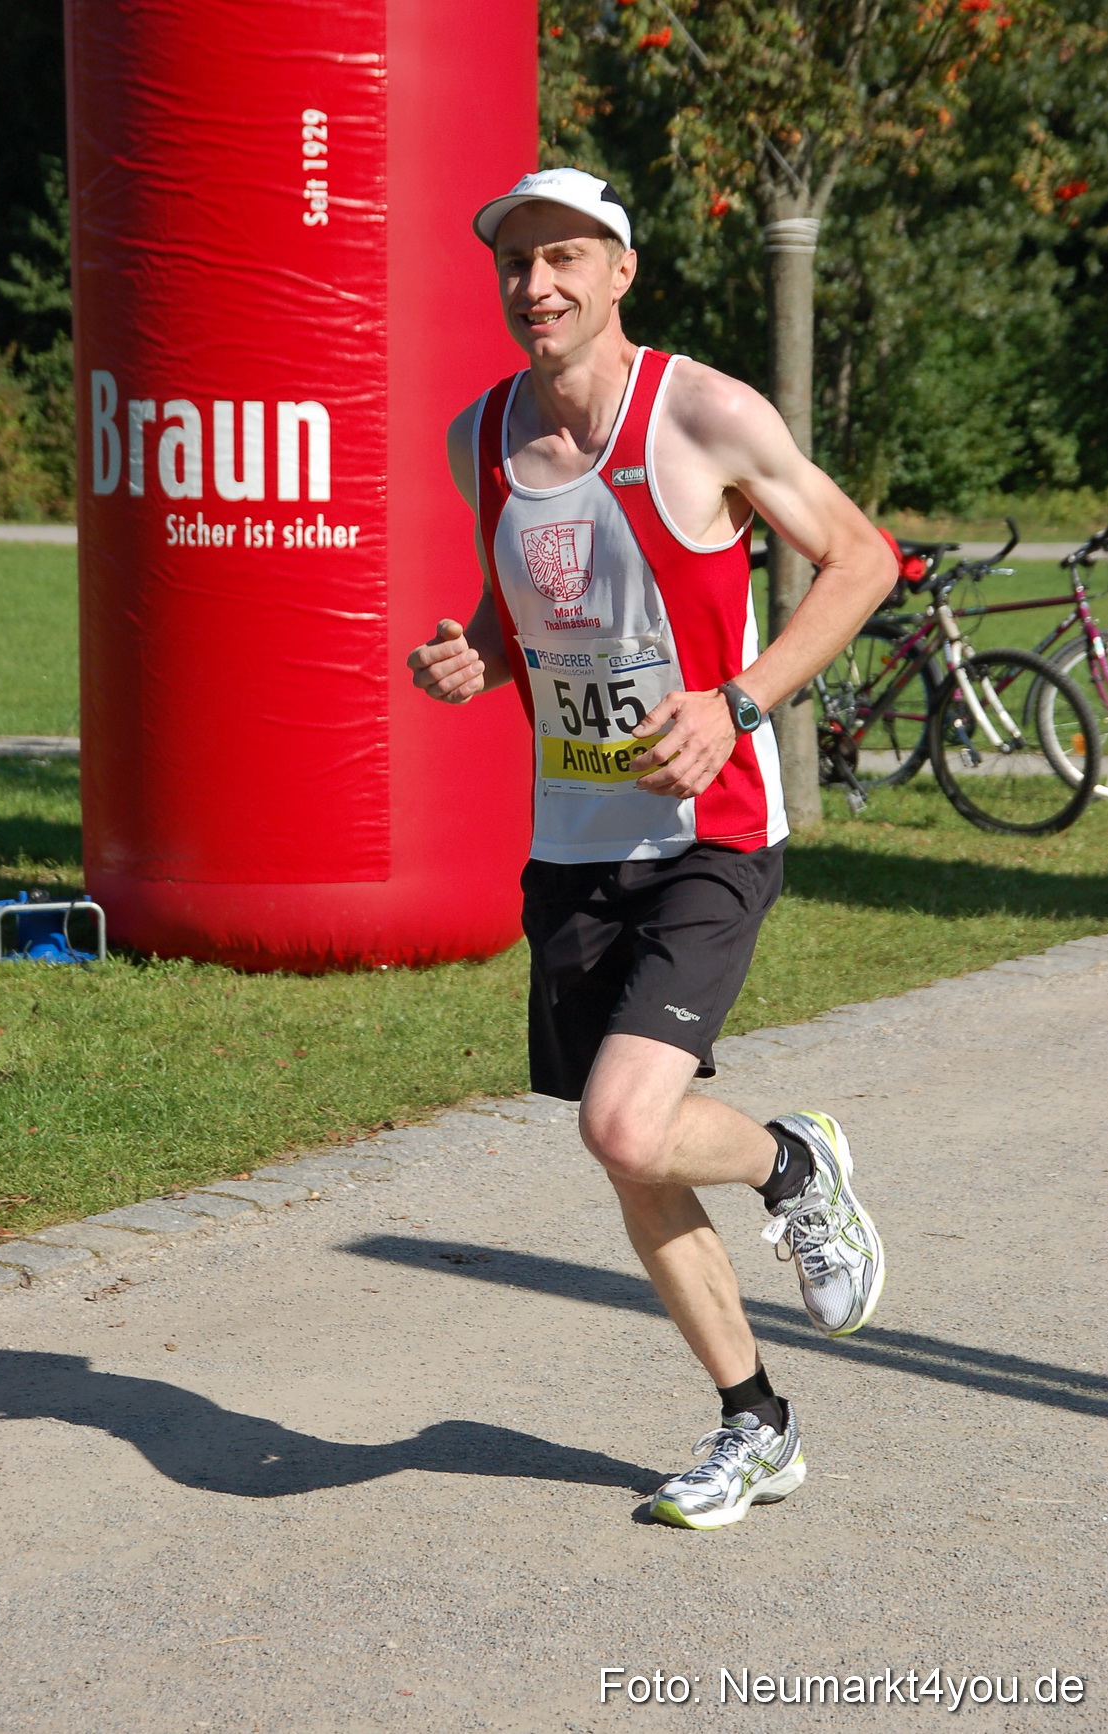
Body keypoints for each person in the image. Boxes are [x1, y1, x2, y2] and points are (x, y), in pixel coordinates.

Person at [407, 168, 896, 1530]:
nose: (537, 286)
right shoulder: (480, 439)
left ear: (620, 271)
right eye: (515, 264)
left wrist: (737, 701)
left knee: (623, 1119)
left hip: (709, 828)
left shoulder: (702, 411)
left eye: (565, 257)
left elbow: (859, 559)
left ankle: (791, 1166)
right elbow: (533, 599)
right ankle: (757, 1423)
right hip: (572, 842)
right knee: (628, 1151)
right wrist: (475, 653)